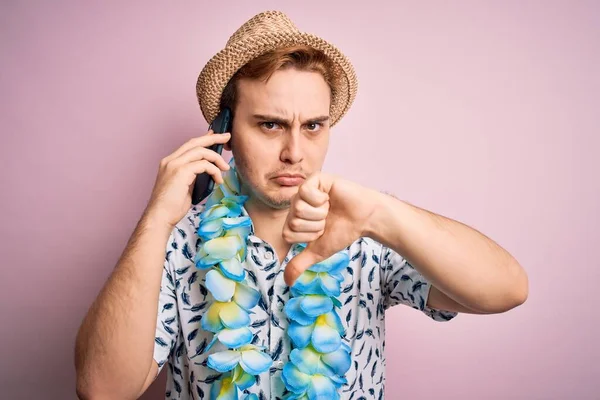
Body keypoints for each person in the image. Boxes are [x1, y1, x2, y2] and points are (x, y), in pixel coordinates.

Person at [74, 10, 528, 400]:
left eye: (313, 126)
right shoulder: (177, 243)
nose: (295, 151)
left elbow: (507, 290)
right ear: (226, 130)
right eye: (270, 125)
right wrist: (156, 220)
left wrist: (380, 215)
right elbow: (101, 390)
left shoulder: (369, 231)